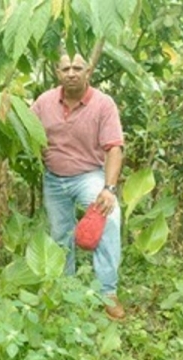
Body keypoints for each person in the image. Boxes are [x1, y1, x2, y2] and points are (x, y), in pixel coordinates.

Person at [30, 52, 126, 320]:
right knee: (61, 234)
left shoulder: (103, 104)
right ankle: (66, 288)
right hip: (53, 178)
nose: (71, 73)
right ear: (57, 73)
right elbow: (26, 130)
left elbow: (114, 148)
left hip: (89, 177)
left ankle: (107, 291)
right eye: (65, 68)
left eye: (77, 68)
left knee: (111, 219)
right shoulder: (44, 102)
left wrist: (109, 188)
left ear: (88, 72)